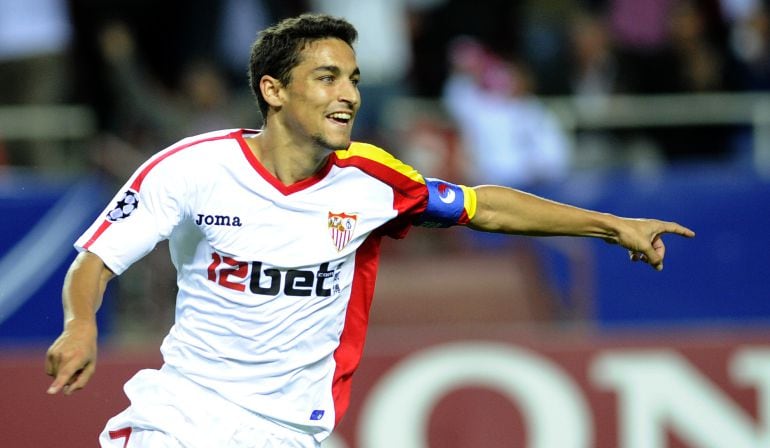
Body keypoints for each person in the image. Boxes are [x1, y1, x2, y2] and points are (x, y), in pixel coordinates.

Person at [44, 13, 695, 448]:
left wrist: (610, 226)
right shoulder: (192, 168)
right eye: (326, 77)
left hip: (293, 429)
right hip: (182, 415)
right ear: (273, 90)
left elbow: (482, 206)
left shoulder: (371, 181)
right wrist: (79, 324)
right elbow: (97, 259)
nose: (348, 94)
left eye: (353, 78)